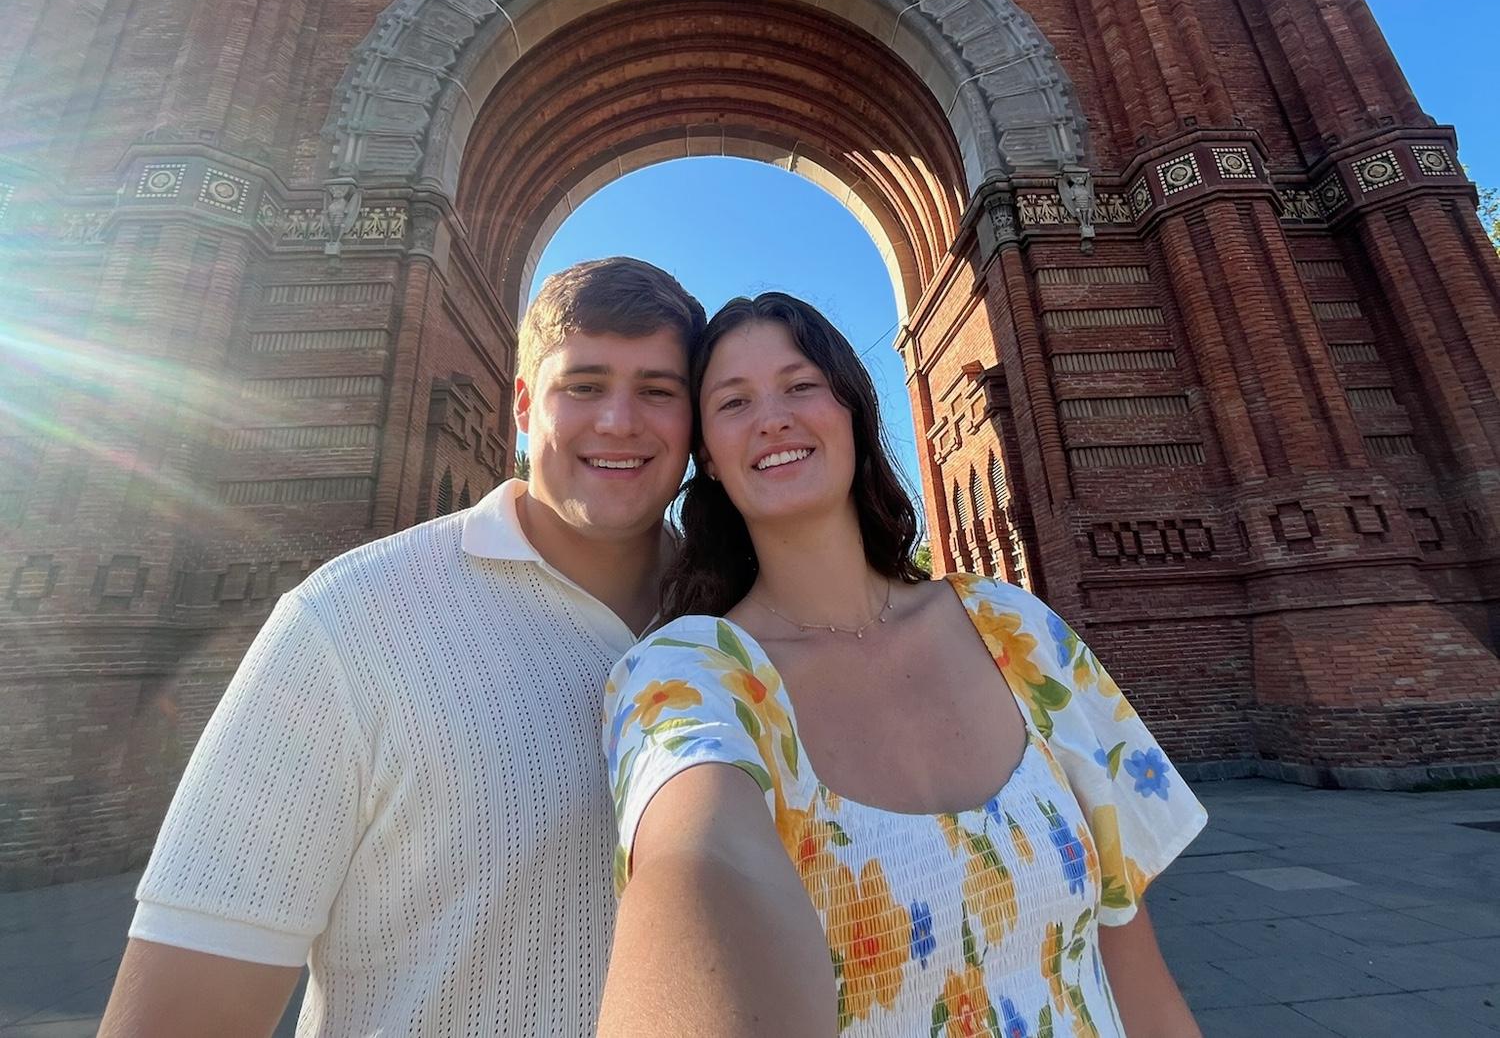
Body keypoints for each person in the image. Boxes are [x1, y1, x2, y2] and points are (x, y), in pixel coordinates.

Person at [98, 257, 705, 1038]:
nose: (619, 421)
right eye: (583, 386)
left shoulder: (739, 624)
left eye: (657, 390)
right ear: (521, 405)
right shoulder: (346, 624)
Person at [599, 292, 1206, 1037]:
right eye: (734, 402)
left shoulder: (1014, 628)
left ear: (853, 409)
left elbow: (1130, 955)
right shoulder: (690, 674)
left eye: (801, 385)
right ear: (711, 463)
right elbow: (696, 858)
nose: (773, 417)